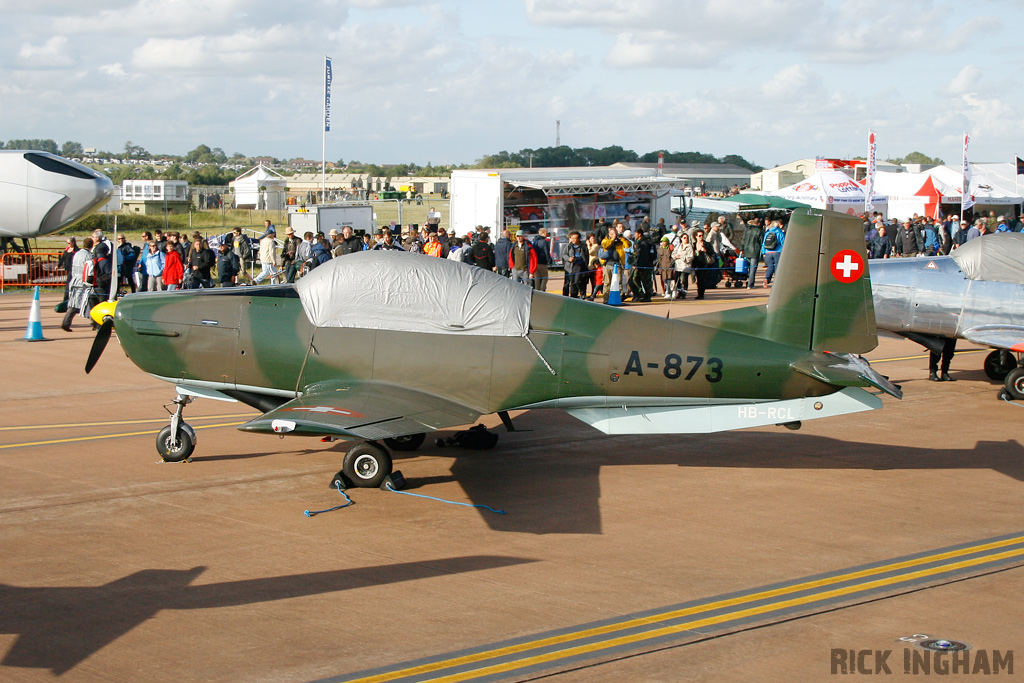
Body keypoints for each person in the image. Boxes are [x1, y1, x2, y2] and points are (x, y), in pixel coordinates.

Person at [62, 237, 91, 331]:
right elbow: (89, 269)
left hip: (74, 279)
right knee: (81, 302)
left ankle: (66, 322)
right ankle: (66, 322)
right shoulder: (89, 255)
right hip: (82, 281)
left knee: (74, 301)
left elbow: (73, 267)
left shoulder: (77, 254)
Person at [599, 226, 630, 304]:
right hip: (607, 264)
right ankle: (606, 299)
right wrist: (612, 239)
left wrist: (622, 238)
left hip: (617, 264)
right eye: (612, 234)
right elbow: (605, 246)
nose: (614, 235)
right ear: (609, 234)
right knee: (607, 282)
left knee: (619, 282)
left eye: (615, 234)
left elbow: (628, 245)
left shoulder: (619, 241)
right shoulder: (605, 240)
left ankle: (619, 298)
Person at [630, 228, 657, 302]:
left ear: (639, 234)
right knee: (636, 280)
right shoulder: (639, 242)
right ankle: (640, 294)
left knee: (644, 281)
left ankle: (646, 296)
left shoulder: (644, 244)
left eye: (636, 233)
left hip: (644, 265)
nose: (634, 235)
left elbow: (642, 256)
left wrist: (639, 265)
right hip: (643, 265)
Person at [740, 217, 765, 289]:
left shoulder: (747, 230)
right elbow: (761, 241)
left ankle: (748, 282)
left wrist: (742, 249)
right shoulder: (758, 231)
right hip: (755, 251)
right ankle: (750, 284)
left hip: (746, 250)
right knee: (753, 269)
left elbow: (743, 240)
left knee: (747, 268)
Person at [692, 230, 717, 300]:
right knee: (698, 279)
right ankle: (699, 293)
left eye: (702, 235)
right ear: (696, 236)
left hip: (705, 264)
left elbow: (712, 252)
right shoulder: (694, 244)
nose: (701, 237)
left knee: (702, 279)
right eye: (699, 235)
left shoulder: (707, 244)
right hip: (696, 263)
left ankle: (701, 294)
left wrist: (705, 250)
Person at [563, 231, 588, 298]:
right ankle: (573, 295)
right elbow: (564, 254)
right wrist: (569, 258)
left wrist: (586, 265)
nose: (573, 240)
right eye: (572, 238)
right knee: (572, 281)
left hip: (580, 266)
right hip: (570, 266)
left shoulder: (583, 246)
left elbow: (586, 256)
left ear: (579, 239)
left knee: (578, 281)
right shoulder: (568, 246)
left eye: (575, 238)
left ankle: (582, 293)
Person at [761, 220, 785, 287]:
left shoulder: (767, 233)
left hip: (768, 252)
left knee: (770, 267)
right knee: (777, 267)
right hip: (778, 252)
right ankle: (777, 282)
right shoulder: (780, 233)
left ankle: (766, 280)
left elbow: (763, 244)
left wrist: (763, 252)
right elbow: (783, 243)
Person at [672, 232, 694, 299]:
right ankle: (679, 292)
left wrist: (682, 257)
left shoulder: (689, 246)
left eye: (687, 238)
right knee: (677, 280)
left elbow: (690, 257)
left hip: (685, 266)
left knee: (684, 280)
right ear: (681, 238)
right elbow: (673, 254)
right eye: (684, 238)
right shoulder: (678, 246)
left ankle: (684, 293)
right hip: (678, 266)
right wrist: (675, 256)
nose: (685, 239)